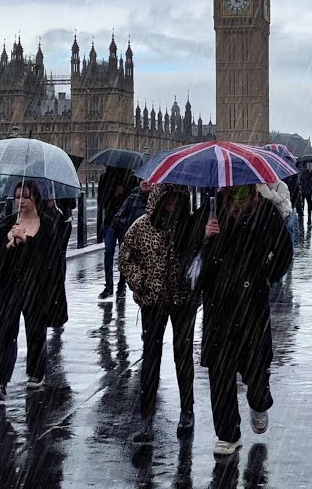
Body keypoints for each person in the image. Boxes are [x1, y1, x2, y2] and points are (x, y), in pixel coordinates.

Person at [199, 184, 293, 458]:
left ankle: (259, 402)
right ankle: (228, 434)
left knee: (256, 367)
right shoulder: (211, 210)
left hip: (252, 304)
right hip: (219, 305)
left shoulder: (266, 211)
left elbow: (284, 251)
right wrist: (205, 238)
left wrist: (267, 276)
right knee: (220, 373)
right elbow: (192, 257)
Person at [118, 183, 205, 443]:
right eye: (167, 195)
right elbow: (126, 258)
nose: (171, 201)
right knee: (151, 357)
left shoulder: (191, 225)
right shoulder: (142, 226)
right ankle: (146, 417)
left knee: (183, 354)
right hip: (153, 302)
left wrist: (205, 237)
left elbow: (204, 255)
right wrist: (141, 282)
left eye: (177, 196)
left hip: (183, 299)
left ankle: (187, 410)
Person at [0, 179, 69, 400]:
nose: (20, 201)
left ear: (35, 199)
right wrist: (7, 241)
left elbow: (51, 260)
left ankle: (36, 372)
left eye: (25, 196)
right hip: (9, 287)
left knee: (35, 331)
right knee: (6, 332)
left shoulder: (47, 225)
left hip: (36, 287)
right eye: (17, 196)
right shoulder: (7, 224)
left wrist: (27, 242)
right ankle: (0, 380)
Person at [97, 170, 137, 300]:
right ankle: (108, 286)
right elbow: (101, 201)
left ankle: (121, 286)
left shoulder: (131, 178)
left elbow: (134, 199)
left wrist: (124, 193)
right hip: (110, 221)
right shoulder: (105, 178)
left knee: (124, 254)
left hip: (125, 221)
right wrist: (113, 193)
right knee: (109, 252)